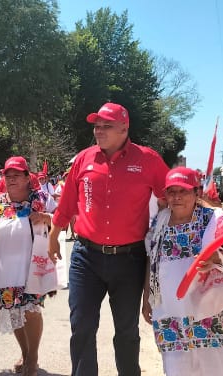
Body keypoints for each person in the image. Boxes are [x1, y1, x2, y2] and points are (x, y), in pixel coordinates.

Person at [48, 102, 169, 376]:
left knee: (126, 331)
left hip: (130, 259)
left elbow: (171, 196)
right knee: (81, 327)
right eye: (96, 126)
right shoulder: (84, 159)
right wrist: (54, 236)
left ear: (124, 128)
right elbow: (67, 204)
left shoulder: (148, 160)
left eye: (106, 126)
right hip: (86, 258)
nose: (98, 131)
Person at [142, 167, 223, 376]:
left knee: (211, 366)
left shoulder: (213, 219)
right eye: (171, 191)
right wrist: (147, 299)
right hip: (168, 310)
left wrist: (216, 258)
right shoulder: (158, 223)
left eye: (184, 191)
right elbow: (152, 263)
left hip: (206, 308)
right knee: (175, 367)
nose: (177, 197)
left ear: (196, 193)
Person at [0, 156, 56, 376]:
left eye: (17, 175)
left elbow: (61, 221)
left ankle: (33, 358)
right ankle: (25, 353)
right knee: (14, 310)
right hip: (5, 268)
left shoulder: (41, 198)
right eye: (8, 176)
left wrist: (46, 217)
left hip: (32, 267)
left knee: (31, 311)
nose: (11, 179)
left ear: (28, 177)